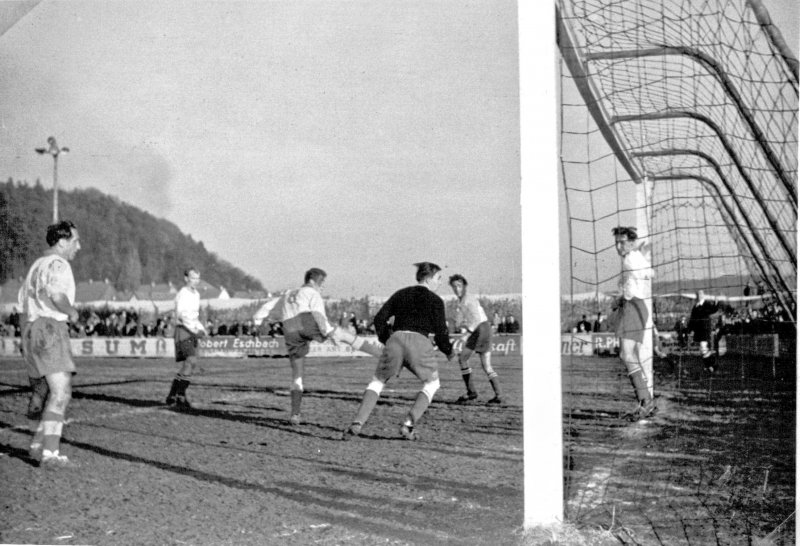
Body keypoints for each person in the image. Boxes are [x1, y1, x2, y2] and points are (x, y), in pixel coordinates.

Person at [342, 262, 455, 441]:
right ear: (428, 278)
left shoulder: (400, 294)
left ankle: (358, 422)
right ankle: (408, 425)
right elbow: (441, 334)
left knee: (377, 382)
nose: (439, 283)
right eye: (438, 278)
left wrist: (388, 340)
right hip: (420, 342)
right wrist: (448, 351)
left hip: (396, 339)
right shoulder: (436, 301)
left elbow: (379, 319)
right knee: (433, 384)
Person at [265, 268, 382, 425]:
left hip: (289, 328)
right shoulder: (312, 293)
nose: (323, 286)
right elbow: (318, 315)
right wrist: (330, 333)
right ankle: (383, 355)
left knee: (297, 374)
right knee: (344, 335)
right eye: (321, 282)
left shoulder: (287, 294)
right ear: (312, 281)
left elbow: (272, 316)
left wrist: (267, 325)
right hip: (304, 320)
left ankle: (295, 414)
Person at [17, 220, 82, 468]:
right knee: (61, 392)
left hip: (33, 329)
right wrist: (72, 312)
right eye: (75, 241)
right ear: (62, 241)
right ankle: (50, 454)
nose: (79, 246)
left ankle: (37, 446)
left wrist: (26, 340)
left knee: (54, 392)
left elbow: (23, 306)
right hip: (50, 328)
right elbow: (57, 295)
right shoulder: (58, 263)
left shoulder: (36, 266)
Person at [611, 226, 656, 422]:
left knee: (626, 354)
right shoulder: (634, 256)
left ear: (631, 243)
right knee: (632, 354)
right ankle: (646, 400)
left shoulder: (630, 260)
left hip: (632, 306)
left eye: (622, 242)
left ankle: (645, 400)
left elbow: (636, 284)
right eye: (616, 242)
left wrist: (619, 299)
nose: (619, 246)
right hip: (637, 306)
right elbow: (647, 274)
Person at [448, 274, 502, 404]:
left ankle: (471, 392)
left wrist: (466, 334)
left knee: (463, 359)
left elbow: (476, 318)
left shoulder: (468, 299)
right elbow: (460, 321)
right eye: (454, 286)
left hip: (480, 329)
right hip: (485, 329)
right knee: (486, 365)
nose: (457, 289)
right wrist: (459, 324)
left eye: (459, 286)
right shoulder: (463, 302)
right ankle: (499, 394)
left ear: (465, 286)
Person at [164, 267, 207, 410]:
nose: (195, 281)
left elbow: (194, 315)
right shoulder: (183, 293)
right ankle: (181, 395)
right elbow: (182, 314)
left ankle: (173, 395)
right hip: (183, 330)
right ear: (186, 278)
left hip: (192, 330)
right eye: (193, 278)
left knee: (190, 365)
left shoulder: (197, 294)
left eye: (197, 278)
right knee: (191, 361)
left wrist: (201, 328)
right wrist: (194, 328)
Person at [688, 290, 720, 372]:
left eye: (701, 294)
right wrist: (689, 329)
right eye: (698, 294)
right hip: (698, 330)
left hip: (705, 329)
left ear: (704, 295)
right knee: (703, 349)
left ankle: (712, 365)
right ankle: (709, 366)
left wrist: (716, 303)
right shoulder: (695, 306)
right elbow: (692, 319)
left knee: (703, 346)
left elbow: (714, 309)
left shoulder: (706, 304)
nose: (699, 295)